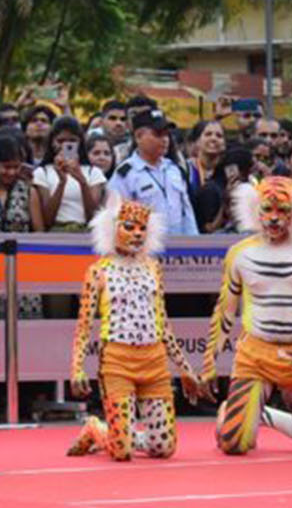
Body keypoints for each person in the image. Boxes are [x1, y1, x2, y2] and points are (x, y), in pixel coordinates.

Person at [202, 177, 292, 455]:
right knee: (235, 443)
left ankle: (262, 415)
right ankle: (239, 414)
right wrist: (208, 362)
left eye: (283, 211)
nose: (274, 219)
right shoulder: (240, 254)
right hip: (255, 356)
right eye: (267, 210)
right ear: (255, 209)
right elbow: (225, 310)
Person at [66, 195, 201, 459]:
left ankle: (120, 432)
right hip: (117, 362)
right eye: (129, 227)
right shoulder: (98, 271)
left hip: (154, 362)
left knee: (163, 448)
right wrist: (77, 368)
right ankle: (97, 429)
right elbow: (83, 325)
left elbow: (163, 322)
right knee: (122, 452)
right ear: (112, 229)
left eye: (142, 228)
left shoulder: (153, 267)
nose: (138, 234)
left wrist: (185, 368)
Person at [108, 108, 198, 235]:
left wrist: (193, 243)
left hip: (178, 247)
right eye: (158, 134)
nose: (165, 139)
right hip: (144, 247)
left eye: (167, 134)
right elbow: (115, 217)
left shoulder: (174, 169)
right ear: (138, 137)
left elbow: (187, 213)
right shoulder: (126, 174)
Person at [33, 115, 105, 231]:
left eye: (72, 141)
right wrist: (62, 182)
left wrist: (81, 180)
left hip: (85, 233)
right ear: (52, 143)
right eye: (60, 141)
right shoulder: (42, 172)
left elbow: (93, 216)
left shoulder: (93, 173)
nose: (65, 146)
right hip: (56, 233)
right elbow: (47, 220)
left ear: (80, 143)